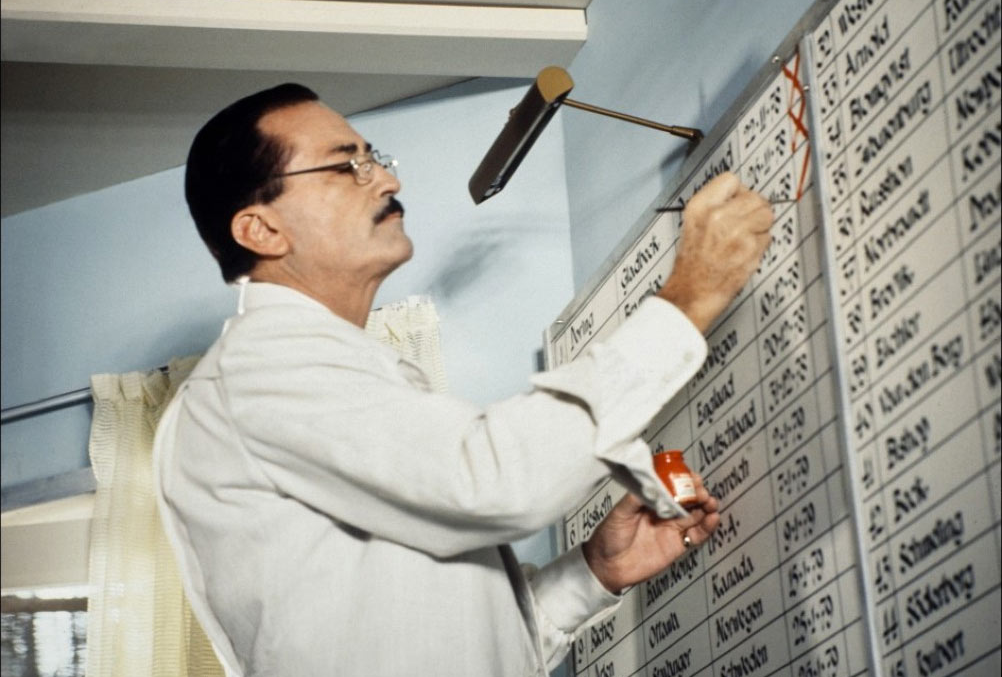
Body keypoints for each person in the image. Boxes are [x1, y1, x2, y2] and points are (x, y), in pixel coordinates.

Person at [153, 83, 774, 676]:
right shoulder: (259, 372)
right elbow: (495, 482)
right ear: (261, 229)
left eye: (376, 159)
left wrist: (594, 571)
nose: (389, 180)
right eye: (348, 166)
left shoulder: (338, 376)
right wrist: (691, 295)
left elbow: (459, 649)